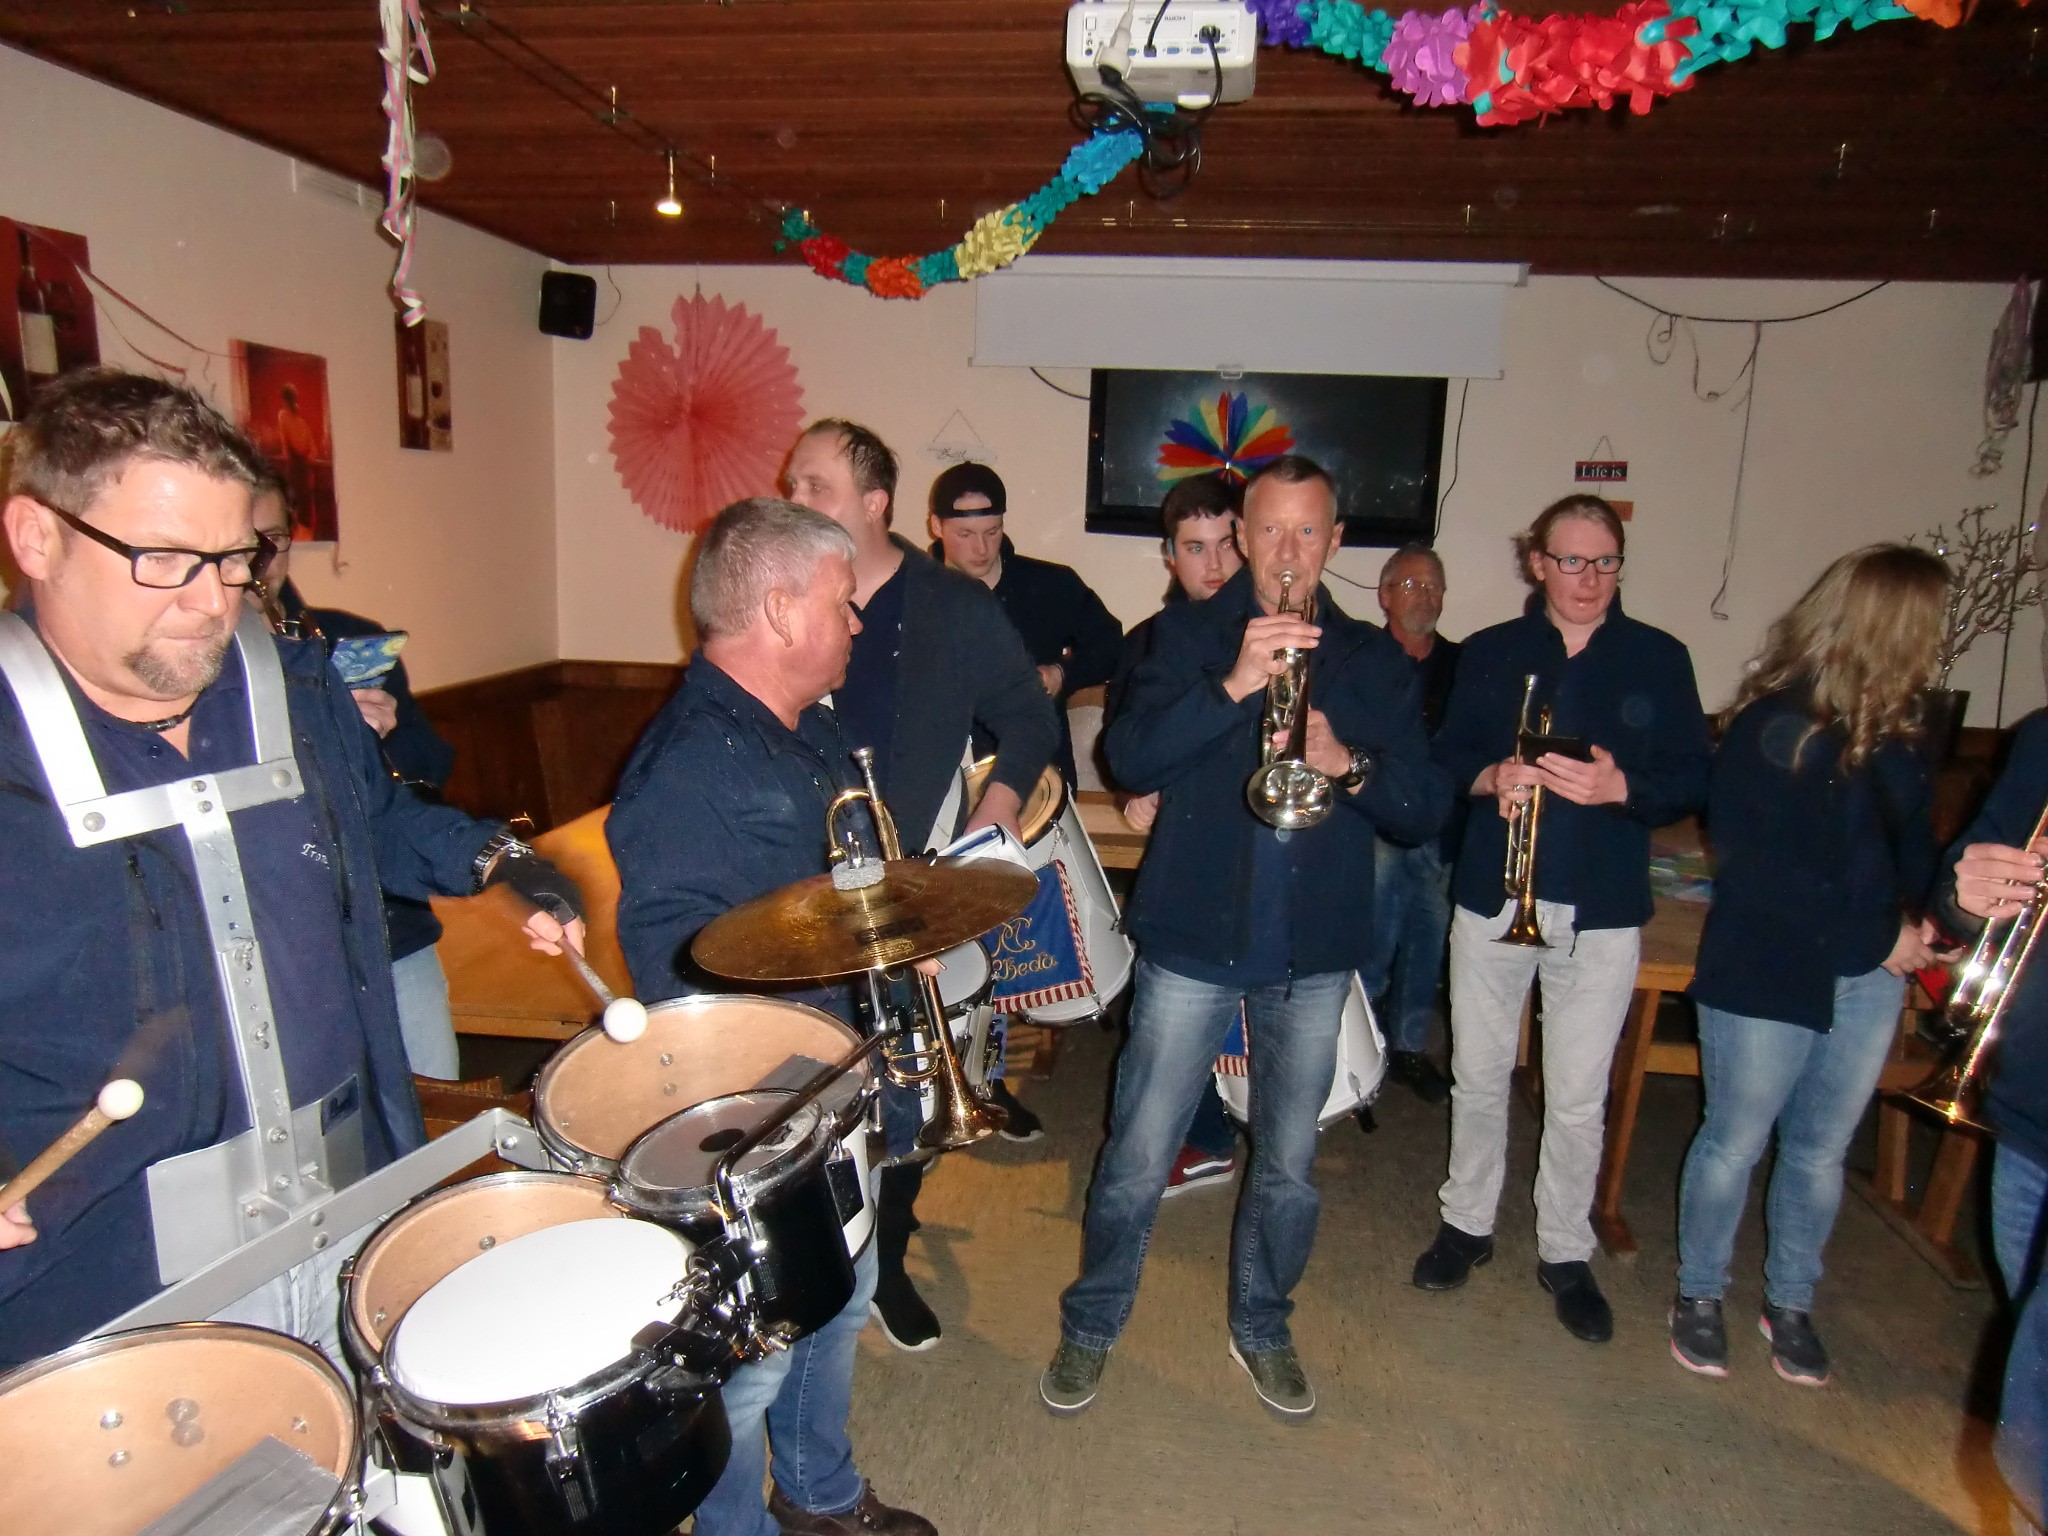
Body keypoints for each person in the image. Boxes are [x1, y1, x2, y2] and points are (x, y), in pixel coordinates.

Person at [0, 368, 582, 1367]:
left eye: (234, 559)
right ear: (36, 536)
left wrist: (497, 858)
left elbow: (374, 820)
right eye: (163, 559)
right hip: (111, 1288)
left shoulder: (294, 693)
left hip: (347, 1203)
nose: (211, 603)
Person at [1040, 455, 1450, 1420]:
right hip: (1193, 940)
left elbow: (1425, 807)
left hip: (1314, 953)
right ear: (1242, 534)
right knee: (1139, 1153)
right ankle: (1093, 1321)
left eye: (1308, 532)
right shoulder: (1184, 636)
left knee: (1289, 1168)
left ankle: (1262, 1323)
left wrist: (1348, 763)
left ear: (1335, 541)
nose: (1288, 552)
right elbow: (1128, 754)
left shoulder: (1374, 661)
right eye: (1270, 530)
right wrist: (1231, 683)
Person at [608, 497, 935, 1536]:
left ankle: (818, 1494)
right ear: (783, 611)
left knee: (844, 1292)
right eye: (843, 603)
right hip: (757, 1115)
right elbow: (681, 984)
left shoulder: (807, 729)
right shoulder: (690, 771)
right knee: (750, 1367)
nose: (855, 623)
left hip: (830, 1083)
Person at [784, 419, 1060, 1351]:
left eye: (814, 486)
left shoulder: (952, 605)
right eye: (792, 484)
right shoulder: (781, 590)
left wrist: (995, 819)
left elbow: (1029, 719)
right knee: (809, 1085)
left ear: (874, 504)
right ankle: (818, 1251)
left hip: (907, 885)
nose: (794, 500)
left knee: (909, 1088)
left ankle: (888, 1258)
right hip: (794, 884)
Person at [1413, 493, 1710, 1344]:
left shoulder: (1660, 657)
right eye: (1571, 560)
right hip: (1493, 895)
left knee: (1579, 1095)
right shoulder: (1491, 652)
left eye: (1605, 561)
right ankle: (1467, 1224)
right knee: (1477, 1073)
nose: (1589, 577)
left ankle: (1565, 1249)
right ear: (1537, 562)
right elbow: (1446, 759)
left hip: (1601, 905)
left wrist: (1624, 787)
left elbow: (1693, 778)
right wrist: (1489, 779)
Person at [1668, 545, 1949, 1385]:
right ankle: (1699, 1294)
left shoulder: (1903, 732)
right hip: (1768, 968)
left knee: (1821, 1152)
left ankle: (1789, 1301)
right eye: (1928, 624)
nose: (1937, 641)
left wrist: (1940, 916)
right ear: (1889, 626)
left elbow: (1910, 849)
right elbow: (1762, 875)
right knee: (1735, 1142)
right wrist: (1878, 938)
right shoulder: (1772, 725)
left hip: (1865, 975)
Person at [248, 475, 464, 1080]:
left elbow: (430, 771)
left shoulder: (347, 637)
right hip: (287, 944)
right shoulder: (202, 659)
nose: (261, 563)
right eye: (245, 543)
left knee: (434, 1092)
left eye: (274, 541)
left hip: (392, 924)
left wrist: (379, 742)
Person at [1108, 473, 1246, 1197]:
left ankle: (1216, 1132)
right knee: (1166, 1009)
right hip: (1187, 854)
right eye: (1196, 548)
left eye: (1227, 544)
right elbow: (1123, 742)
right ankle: (1203, 1135)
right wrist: (1133, 791)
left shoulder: (1275, 628)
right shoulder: (1151, 640)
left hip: (1258, 848)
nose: (1214, 564)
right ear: (1170, 555)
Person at [1940, 711, 2048, 1527]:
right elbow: (1962, 887)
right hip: (2032, 1103)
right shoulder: (2045, 737)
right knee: (2032, 1347)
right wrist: (1967, 894)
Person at [926, 460, 1124, 789]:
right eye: (965, 534)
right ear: (936, 525)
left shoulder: (1049, 585)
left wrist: (1062, 673)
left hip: (1038, 781)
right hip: (939, 781)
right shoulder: (914, 595)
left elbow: (1112, 646)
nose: (981, 548)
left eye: (992, 532)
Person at [1363, 543, 1462, 1104]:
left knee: (1430, 932)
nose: (1423, 595)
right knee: (1376, 926)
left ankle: (1408, 1047)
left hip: (1440, 819)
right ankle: (1362, 1038)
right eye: (1410, 585)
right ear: (1384, 596)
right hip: (1376, 816)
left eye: (1432, 586)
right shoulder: (1361, 658)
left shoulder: (1464, 665)